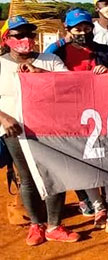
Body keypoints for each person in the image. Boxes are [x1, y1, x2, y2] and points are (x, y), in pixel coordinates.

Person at [0, 16, 81, 245]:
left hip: (50, 129)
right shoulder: (0, 64)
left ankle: (54, 225)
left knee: (54, 175)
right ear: (7, 39)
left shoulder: (49, 60)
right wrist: (4, 118)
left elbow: (72, 85)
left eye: (29, 34)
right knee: (27, 179)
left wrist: (40, 74)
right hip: (15, 131)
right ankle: (36, 224)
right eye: (19, 35)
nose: (26, 39)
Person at [45, 8, 108, 220]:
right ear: (68, 29)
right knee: (84, 162)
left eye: (87, 27)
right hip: (73, 117)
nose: (83, 32)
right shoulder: (58, 53)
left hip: (104, 114)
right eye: (78, 29)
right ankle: (98, 206)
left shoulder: (105, 51)